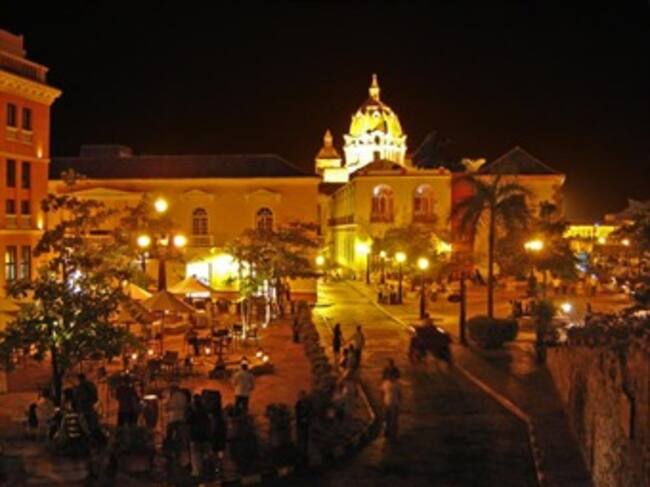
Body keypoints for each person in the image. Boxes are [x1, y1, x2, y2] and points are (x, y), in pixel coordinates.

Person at [73, 373, 103, 445]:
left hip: (83, 410)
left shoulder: (79, 388)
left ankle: (90, 441)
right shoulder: (90, 386)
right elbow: (95, 397)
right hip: (90, 408)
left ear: (79, 379)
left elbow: (75, 399)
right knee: (92, 426)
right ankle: (95, 441)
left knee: (85, 427)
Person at [188, 394, 212, 478]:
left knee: (196, 456)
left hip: (195, 437)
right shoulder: (205, 413)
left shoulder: (192, 413)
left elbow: (188, 423)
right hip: (204, 437)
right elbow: (208, 424)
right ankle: (206, 471)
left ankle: (197, 472)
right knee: (205, 455)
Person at [381, 376, 401, 441]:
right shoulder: (386, 383)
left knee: (393, 420)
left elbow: (399, 394)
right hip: (388, 404)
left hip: (393, 404)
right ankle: (388, 432)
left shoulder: (396, 384)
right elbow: (382, 393)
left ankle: (393, 433)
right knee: (387, 418)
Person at [294, 390, 311, 460]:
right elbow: (298, 415)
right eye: (300, 396)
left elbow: (309, 412)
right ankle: (301, 456)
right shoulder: (298, 405)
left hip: (306, 426)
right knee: (301, 441)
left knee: (306, 441)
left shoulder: (307, 404)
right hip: (301, 426)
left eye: (302, 396)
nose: (301, 397)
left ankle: (305, 455)